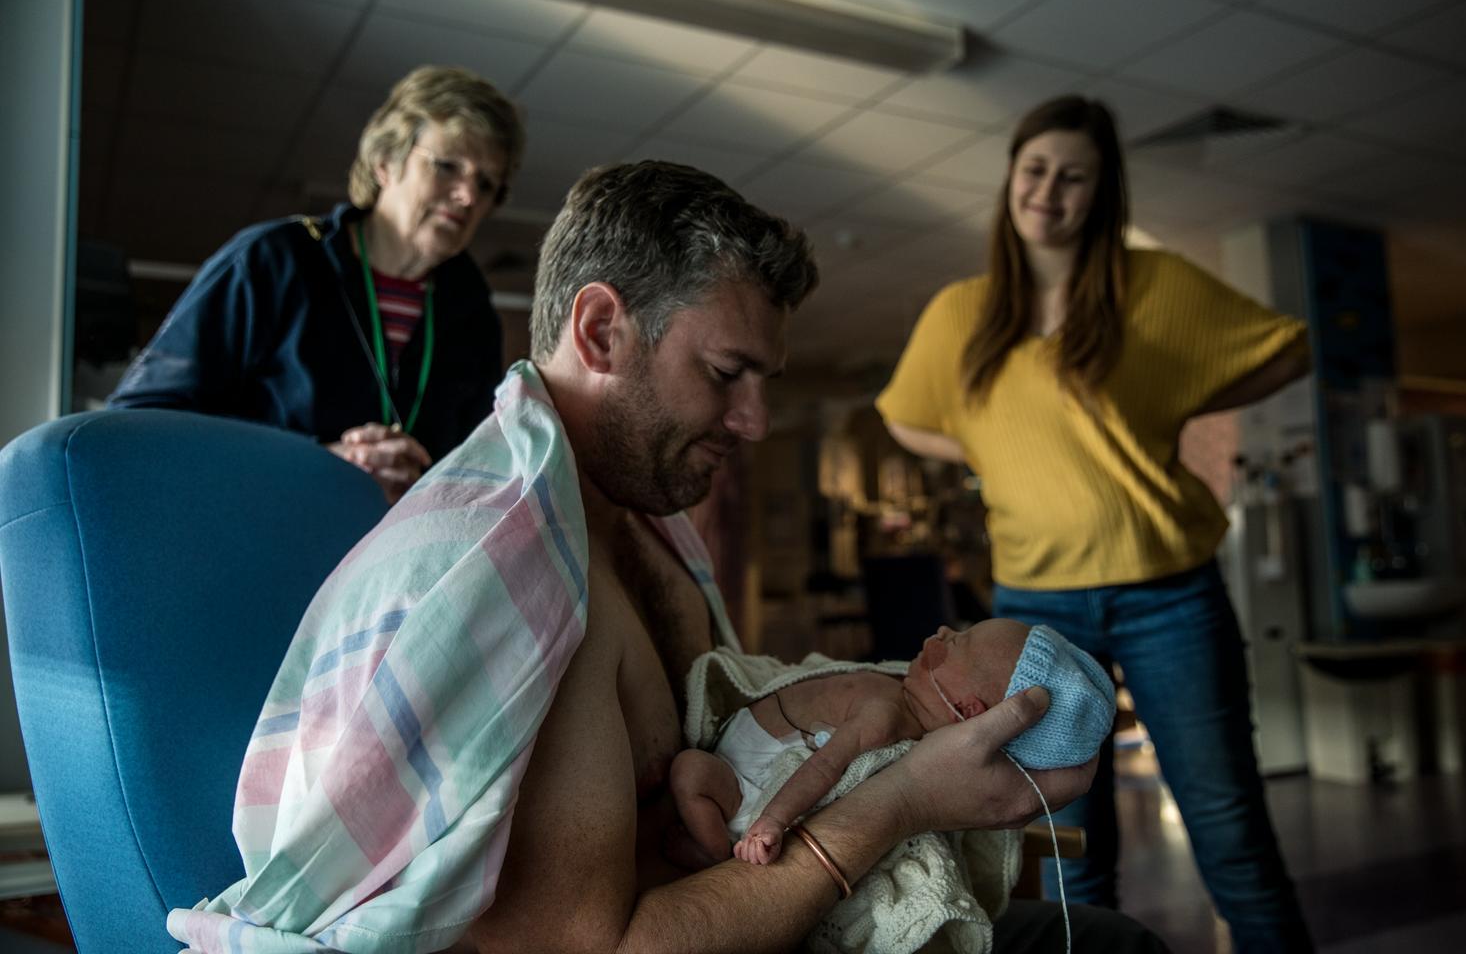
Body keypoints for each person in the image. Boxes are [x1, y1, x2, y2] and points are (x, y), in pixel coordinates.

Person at [167, 161, 1168, 954]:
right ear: (602, 330)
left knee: (1110, 940)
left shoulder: (638, 526)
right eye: (727, 373)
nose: (755, 421)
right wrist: (902, 799)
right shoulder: (515, 585)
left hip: (737, 902)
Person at [876, 95, 1313, 952]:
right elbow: (903, 416)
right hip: (1036, 606)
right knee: (1071, 848)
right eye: (1035, 170)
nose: (1049, 191)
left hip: (1168, 593)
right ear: (1012, 179)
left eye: (1074, 177)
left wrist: (1178, 397)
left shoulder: (1155, 286)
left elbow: (1288, 349)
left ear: (1100, 192)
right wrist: (985, 441)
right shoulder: (964, 312)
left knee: (1231, 834)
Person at [108, 65, 522, 502]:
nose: (468, 196)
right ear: (386, 161)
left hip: (398, 561)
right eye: (447, 167)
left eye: (486, 183)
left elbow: (481, 466)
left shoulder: (471, 313)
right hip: (267, 539)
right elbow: (140, 424)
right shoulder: (274, 261)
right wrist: (321, 464)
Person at [671, 620, 1114, 869]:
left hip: (743, 785)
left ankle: (711, 857)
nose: (942, 631)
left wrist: (771, 822)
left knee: (690, 771)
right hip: (745, 750)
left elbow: (825, 768)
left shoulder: (887, 718)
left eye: (958, 642)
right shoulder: (901, 689)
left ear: (969, 709)